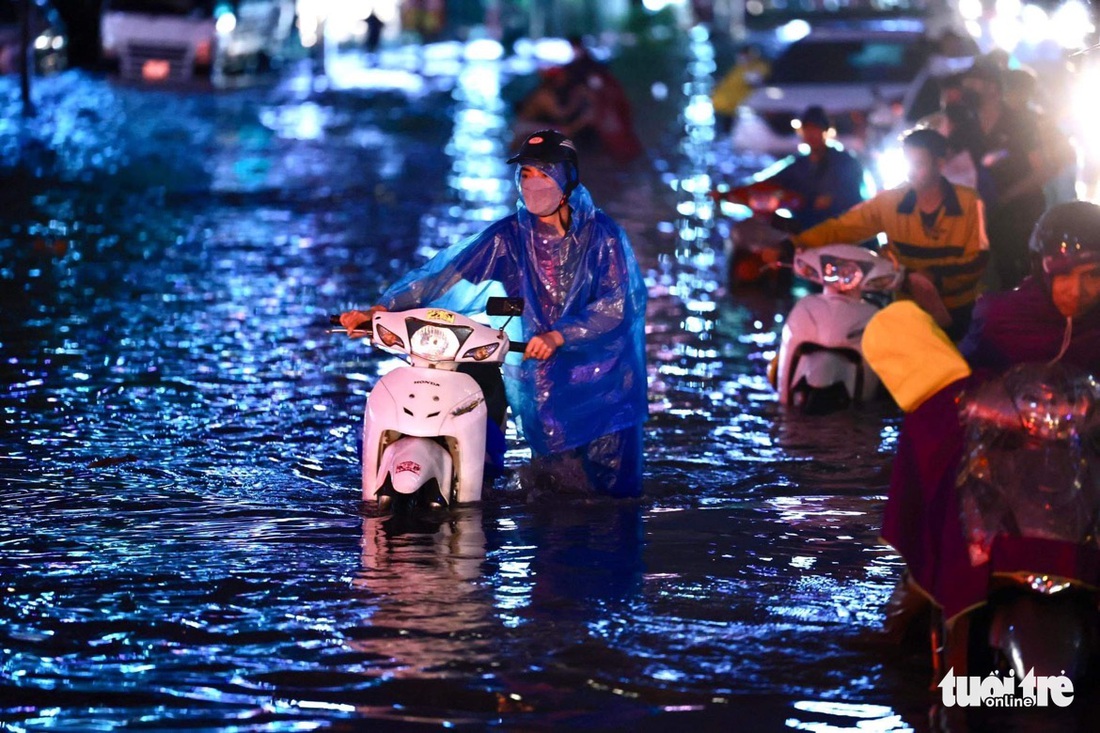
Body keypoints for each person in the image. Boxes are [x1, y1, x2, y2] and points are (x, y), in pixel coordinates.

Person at [339, 130, 649, 498]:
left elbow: (617, 305)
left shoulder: (604, 237)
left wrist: (561, 334)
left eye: (544, 174)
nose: (534, 183)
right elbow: (444, 276)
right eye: (527, 174)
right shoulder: (509, 237)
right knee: (555, 494)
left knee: (612, 501)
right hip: (544, 381)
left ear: (567, 178)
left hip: (607, 385)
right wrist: (382, 310)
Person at [862, 200, 1100, 667]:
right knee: (944, 530)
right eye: (1066, 275)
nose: (1081, 291)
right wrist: (974, 401)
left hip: (1080, 469)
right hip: (1001, 465)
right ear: (1041, 270)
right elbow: (955, 380)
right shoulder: (1001, 316)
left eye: (1093, 275)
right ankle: (907, 607)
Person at [791, 128, 988, 341]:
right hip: (907, 311)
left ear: (939, 164)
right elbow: (843, 227)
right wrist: (797, 243)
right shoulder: (891, 201)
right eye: (908, 163)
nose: (911, 172)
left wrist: (934, 278)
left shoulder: (969, 202)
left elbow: (978, 261)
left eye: (919, 164)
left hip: (958, 313)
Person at [963, 57, 1069, 290]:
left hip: (1020, 216)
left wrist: (1006, 197)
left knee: (1023, 279)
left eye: (974, 82)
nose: (967, 88)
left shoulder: (1019, 122)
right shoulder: (966, 123)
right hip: (982, 218)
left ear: (992, 87)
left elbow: (1044, 170)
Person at [737, 105, 867, 232]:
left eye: (816, 128)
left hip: (843, 232)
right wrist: (729, 194)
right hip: (808, 233)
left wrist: (826, 201)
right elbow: (768, 183)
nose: (811, 134)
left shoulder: (845, 162)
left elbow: (853, 197)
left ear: (826, 131)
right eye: (807, 129)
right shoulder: (798, 164)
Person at [711, 44, 770, 133]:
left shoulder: (759, 67)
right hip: (723, 108)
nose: (741, 59)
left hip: (739, 110)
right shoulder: (737, 69)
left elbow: (757, 81)